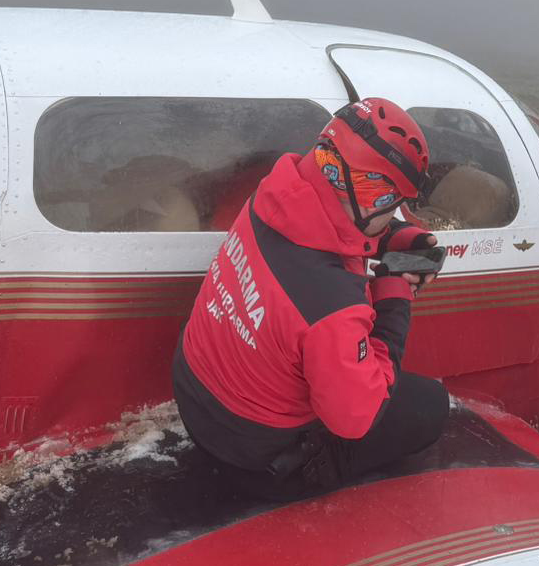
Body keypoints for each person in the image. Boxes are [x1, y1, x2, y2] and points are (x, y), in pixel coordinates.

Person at [174, 98, 451, 497]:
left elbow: (332, 230)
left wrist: (393, 240)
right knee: (429, 406)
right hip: (251, 456)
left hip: (195, 393)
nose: (395, 218)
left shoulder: (273, 197)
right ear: (372, 198)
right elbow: (357, 418)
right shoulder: (330, 305)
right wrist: (395, 292)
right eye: (394, 209)